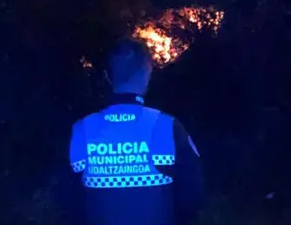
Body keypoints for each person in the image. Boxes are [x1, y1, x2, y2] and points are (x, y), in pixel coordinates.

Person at [69, 38, 204, 225]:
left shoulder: (81, 129)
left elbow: (68, 201)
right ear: (147, 73)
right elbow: (192, 195)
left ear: (108, 77)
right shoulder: (168, 126)